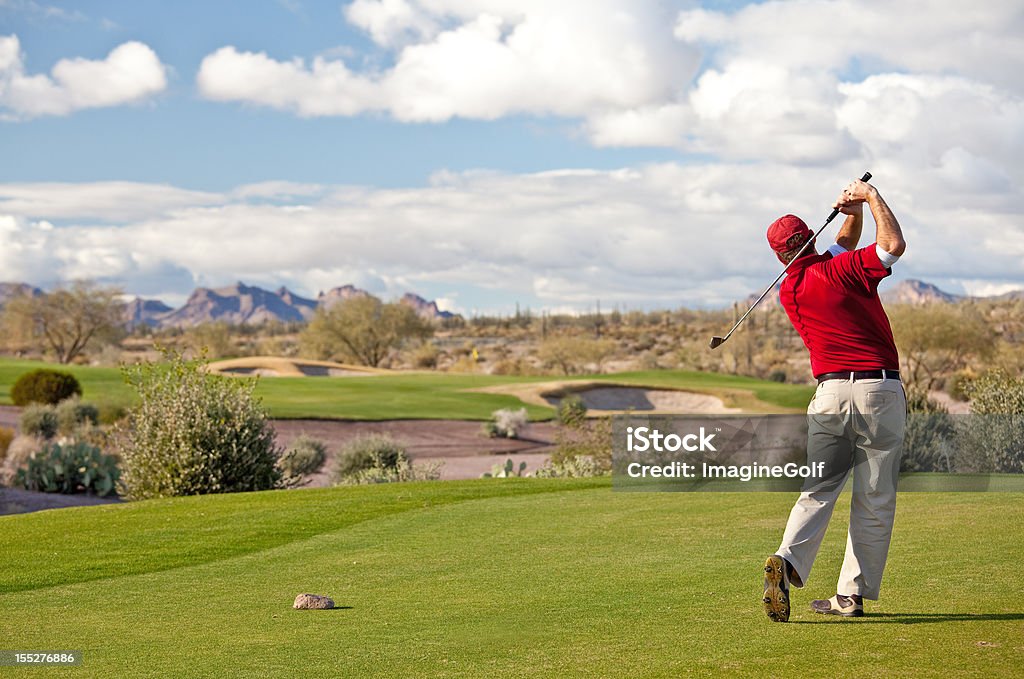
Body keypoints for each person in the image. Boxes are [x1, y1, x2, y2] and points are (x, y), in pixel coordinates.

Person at [760, 178, 908, 622]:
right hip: (877, 392)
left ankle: (786, 562)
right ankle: (851, 596)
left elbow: (842, 249)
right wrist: (870, 198)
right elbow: (893, 245)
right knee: (874, 494)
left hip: (828, 396)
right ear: (810, 237)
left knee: (818, 490)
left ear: (781, 256)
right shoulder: (846, 271)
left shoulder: (792, 286)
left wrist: (851, 214)